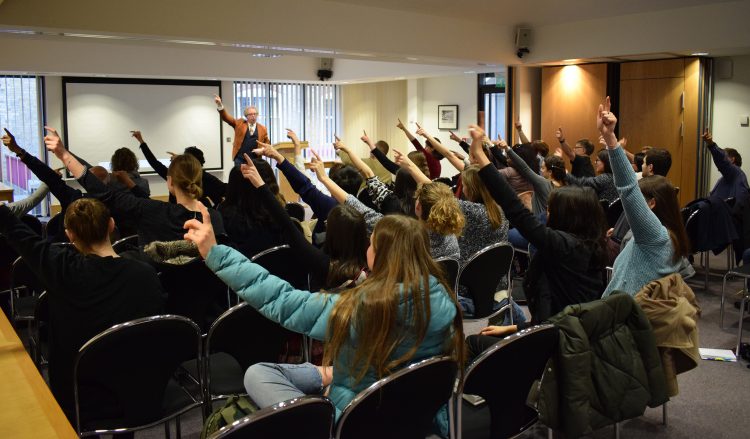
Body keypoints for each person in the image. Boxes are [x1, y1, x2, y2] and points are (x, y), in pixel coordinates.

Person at [182, 201, 463, 434]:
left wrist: (216, 254)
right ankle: (326, 375)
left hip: (355, 424)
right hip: (416, 417)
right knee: (271, 373)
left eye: (372, 243)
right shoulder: (443, 300)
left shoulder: (359, 307)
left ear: (381, 255)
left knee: (257, 375)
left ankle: (315, 424)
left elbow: (281, 300)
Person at [0, 197, 163, 423]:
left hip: (77, 394)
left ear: (70, 235)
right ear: (111, 225)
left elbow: (21, 235)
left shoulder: (61, 270)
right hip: (137, 389)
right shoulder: (145, 275)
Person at [463, 124, 607, 352]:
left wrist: (480, 155)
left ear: (568, 216)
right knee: (488, 335)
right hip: (562, 334)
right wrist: (514, 329)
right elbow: (557, 314)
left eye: (551, 209)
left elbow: (515, 210)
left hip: (556, 347)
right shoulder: (590, 246)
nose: (546, 213)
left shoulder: (563, 245)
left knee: (472, 344)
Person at [44, 127, 226, 248]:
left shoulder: (152, 211)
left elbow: (104, 193)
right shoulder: (214, 218)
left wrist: (64, 154)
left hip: (162, 302)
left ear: (170, 182)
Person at [597, 97, 690, 297]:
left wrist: (612, 141)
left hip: (624, 317)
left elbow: (628, 189)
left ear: (653, 203)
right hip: (631, 312)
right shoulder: (670, 234)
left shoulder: (655, 235)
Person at [238, 154, 369, 290]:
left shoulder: (325, 266)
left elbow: (288, 226)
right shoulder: (370, 264)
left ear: (332, 234)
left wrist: (261, 185)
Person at [132, 130, 227, 206]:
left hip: (176, 217)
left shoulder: (176, 176)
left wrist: (141, 141)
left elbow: (154, 163)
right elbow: (223, 191)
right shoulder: (206, 178)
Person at [214, 95, 270, 166]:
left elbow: (267, 144)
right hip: (240, 159)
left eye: (255, 114)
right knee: (239, 176)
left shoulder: (263, 128)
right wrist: (219, 104)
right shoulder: (239, 124)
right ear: (246, 116)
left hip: (256, 160)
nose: (253, 116)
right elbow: (226, 118)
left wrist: (262, 150)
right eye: (251, 114)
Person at [702, 130, 749, 200]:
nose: (721, 161)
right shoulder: (728, 178)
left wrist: (711, 144)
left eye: (725, 157)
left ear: (732, 160)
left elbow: (721, 160)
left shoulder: (736, 173)